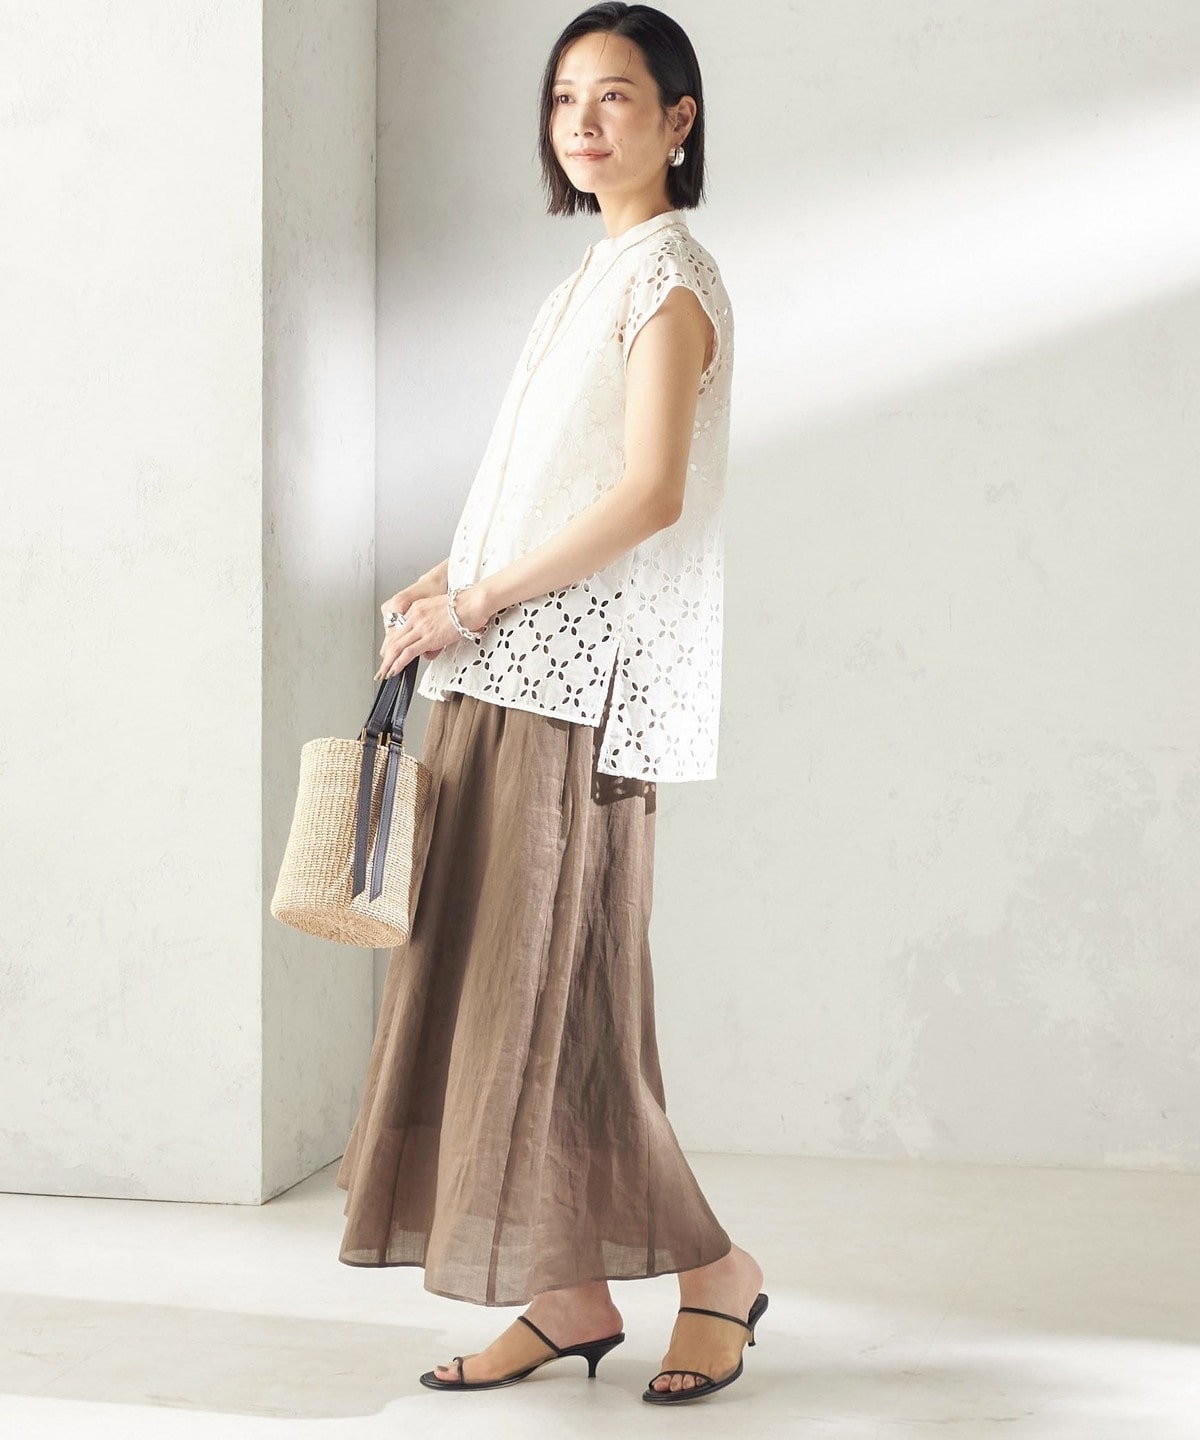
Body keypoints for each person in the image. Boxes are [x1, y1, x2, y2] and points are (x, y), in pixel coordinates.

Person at [334, 1, 766, 1405]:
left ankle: (717, 1272)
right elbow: (546, 482)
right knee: (508, 995)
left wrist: (478, 601)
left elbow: (649, 494)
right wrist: (448, 580)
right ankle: (570, 1295)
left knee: (562, 999)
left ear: (678, 122)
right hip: (503, 667)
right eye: (566, 96)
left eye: (617, 96)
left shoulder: (669, 278)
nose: (583, 121)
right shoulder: (589, 277)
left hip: (575, 690)